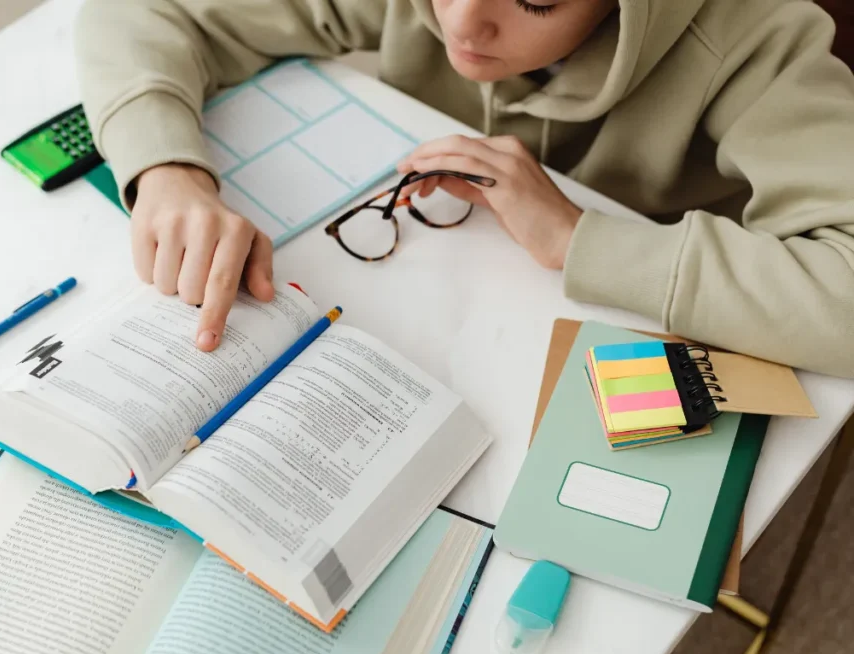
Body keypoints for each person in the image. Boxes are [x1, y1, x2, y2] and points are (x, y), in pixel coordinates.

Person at [73, 0, 854, 379]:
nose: (464, 28)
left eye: (537, 0)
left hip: (652, 343)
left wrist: (580, 237)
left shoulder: (757, 37)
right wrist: (165, 169)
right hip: (435, 312)